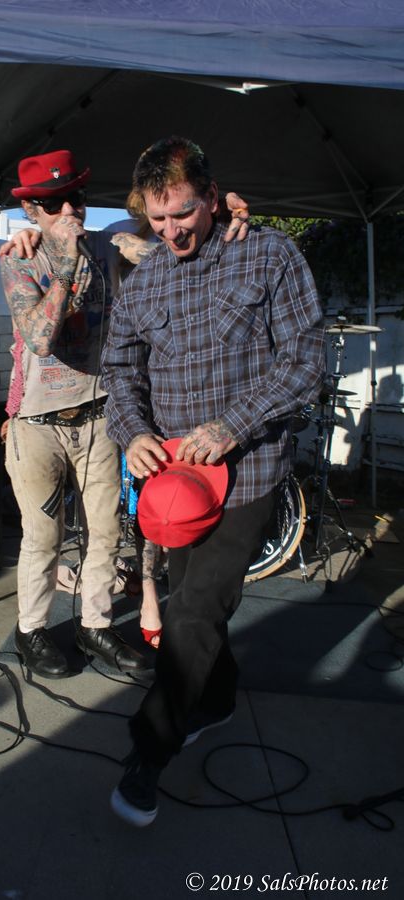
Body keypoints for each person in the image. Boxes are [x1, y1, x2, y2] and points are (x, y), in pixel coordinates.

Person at [101, 135, 326, 826]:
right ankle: (218, 699)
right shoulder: (144, 280)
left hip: (249, 470)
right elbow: (119, 370)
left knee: (195, 610)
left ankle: (149, 750)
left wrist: (233, 426)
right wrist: (133, 431)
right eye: (157, 219)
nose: (172, 232)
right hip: (174, 484)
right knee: (191, 603)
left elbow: (305, 359)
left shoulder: (269, 254)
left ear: (211, 193)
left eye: (184, 214)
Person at [0, 149, 250, 680]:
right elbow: (40, 339)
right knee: (43, 536)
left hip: (97, 416)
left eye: (75, 198)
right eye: (52, 204)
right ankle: (31, 630)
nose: (69, 210)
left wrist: (227, 213)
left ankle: (95, 624)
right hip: (37, 423)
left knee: (106, 533)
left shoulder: (110, 244)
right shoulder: (19, 259)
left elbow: (178, 238)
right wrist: (64, 259)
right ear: (31, 212)